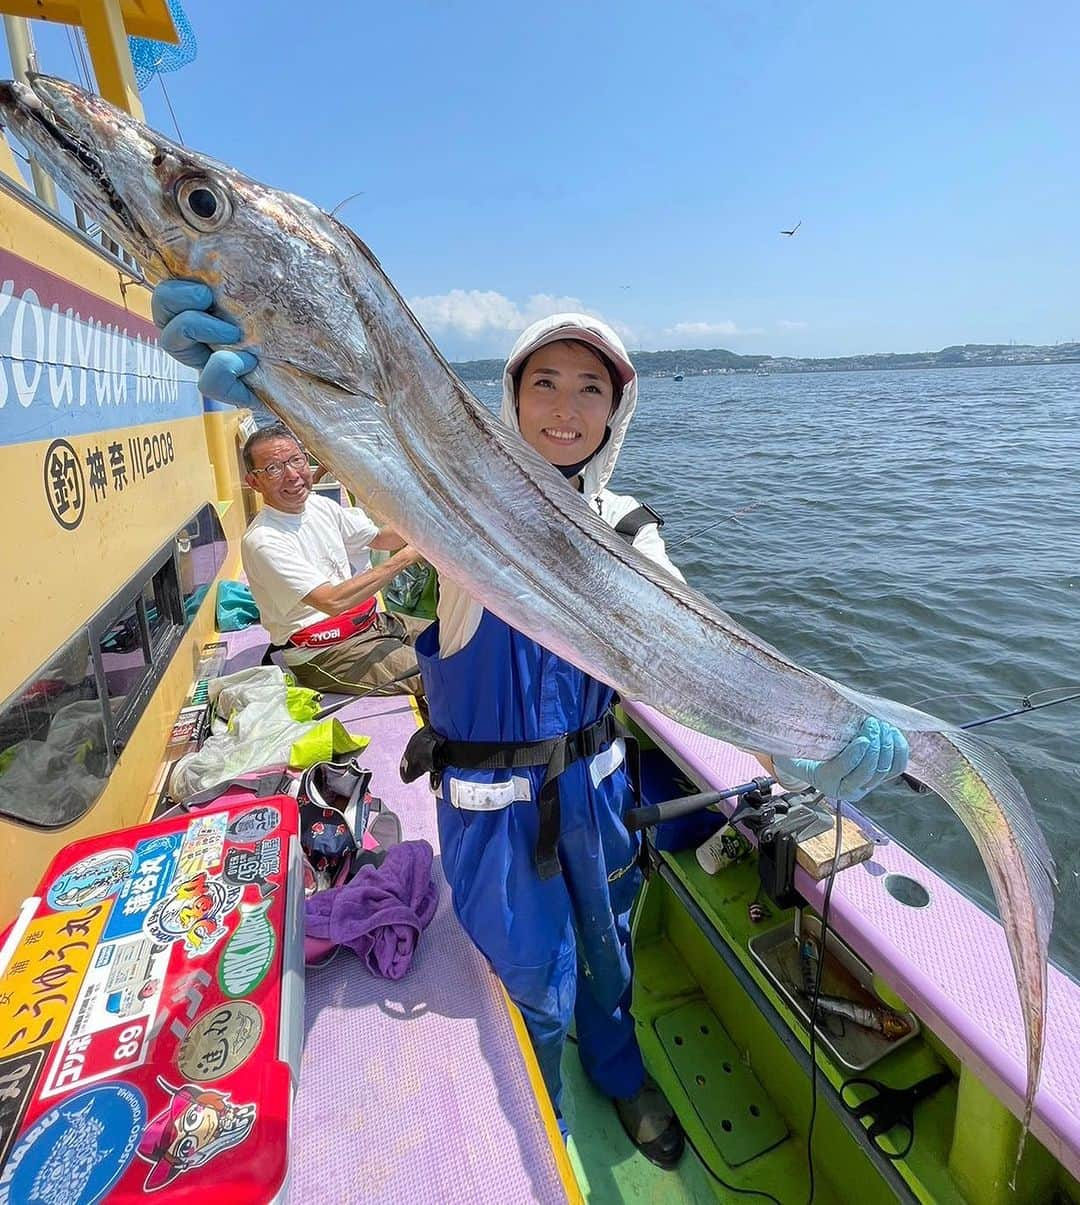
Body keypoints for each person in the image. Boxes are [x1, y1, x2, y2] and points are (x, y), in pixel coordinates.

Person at [150, 285, 910, 1169]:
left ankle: (621, 1073)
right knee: (534, 986)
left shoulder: (627, 528)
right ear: (509, 399)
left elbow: (694, 651)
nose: (565, 406)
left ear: (617, 409)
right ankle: (545, 1121)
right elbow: (388, 460)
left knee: (611, 956)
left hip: (601, 801)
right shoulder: (462, 520)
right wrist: (288, 395)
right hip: (494, 819)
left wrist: (796, 745)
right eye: (543, 381)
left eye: (591, 387)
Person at [240, 421, 428, 697]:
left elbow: (381, 539)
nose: (292, 475)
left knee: (459, 643)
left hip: (369, 623)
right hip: (325, 652)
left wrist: (427, 521)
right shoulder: (263, 540)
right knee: (444, 677)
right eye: (274, 468)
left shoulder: (319, 505)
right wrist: (407, 557)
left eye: (297, 460)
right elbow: (331, 601)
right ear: (254, 482)